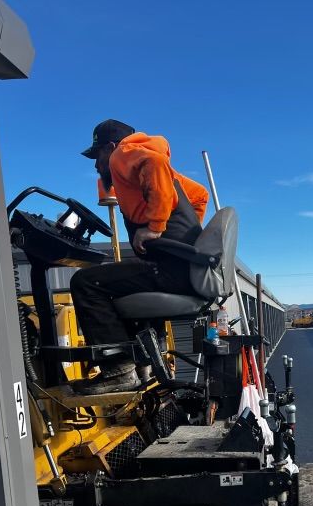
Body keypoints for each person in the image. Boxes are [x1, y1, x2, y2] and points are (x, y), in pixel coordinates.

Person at [71, 119, 209, 394]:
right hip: (183, 268)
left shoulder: (124, 153)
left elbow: (153, 165)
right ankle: (145, 366)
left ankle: (118, 371)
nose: (96, 164)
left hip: (170, 269)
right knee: (125, 281)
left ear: (110, 147)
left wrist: (156, 228)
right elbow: (200, 196)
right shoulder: (171, 178)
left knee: (85, 283)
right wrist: (189, 239)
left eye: (97, 155)